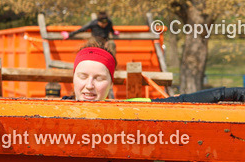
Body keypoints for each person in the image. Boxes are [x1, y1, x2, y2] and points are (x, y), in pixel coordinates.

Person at [68, 42, 245, 103]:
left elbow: (179, 102)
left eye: (99, 78)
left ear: (111, 82)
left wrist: (231, 93)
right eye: (83, 77)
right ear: (74, 78)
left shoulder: (131, 108)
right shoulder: (51, 109)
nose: (89, 86)